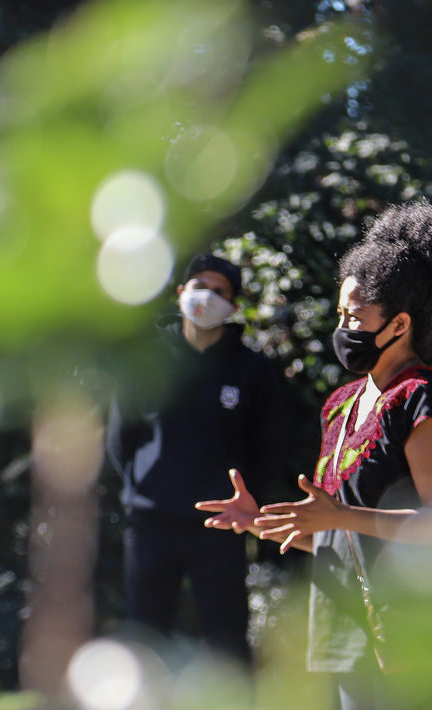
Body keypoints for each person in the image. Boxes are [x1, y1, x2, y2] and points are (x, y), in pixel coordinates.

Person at [196, 201, 432, 709]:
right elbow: (341, 537)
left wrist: (339, 514)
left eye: (356, 315)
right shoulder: (341, 405)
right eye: (340, 312)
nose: (343, 326)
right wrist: (261, 522)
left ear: (399, 324)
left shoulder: (424, 400)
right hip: (343, 634)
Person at [106, 252, 286, 668]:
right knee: (144, 639)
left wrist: (246, 503)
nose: (207, 297)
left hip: (220, 525)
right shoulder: (145, 364)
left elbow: (269, 447)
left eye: (219, 290)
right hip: (150, 522)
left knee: (227, 643)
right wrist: (143, 488)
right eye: (199, 286)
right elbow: (121, 438)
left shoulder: (252, 371)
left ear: (235, 305)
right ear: (180, 293)